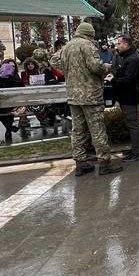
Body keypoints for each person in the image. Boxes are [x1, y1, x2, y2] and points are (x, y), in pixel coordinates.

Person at [56, 22, 122, 177]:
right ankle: (104, 164)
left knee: (78, 131)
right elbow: (95, 67)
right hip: (90, 95)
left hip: (73, 95)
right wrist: (107, 67)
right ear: (90, 34)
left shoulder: (67, 46)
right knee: (97, 130)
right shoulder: (88, 45)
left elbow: (55, 61)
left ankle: (80, 164)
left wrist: (70, 71)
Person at [110, 35, 139, 162]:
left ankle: (137, 153)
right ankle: (134, 149)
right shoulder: (126, 57)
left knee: (133, 124)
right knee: (130, 124)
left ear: (126, 44)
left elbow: (129, 79)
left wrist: (114, 79)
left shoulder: (132, 59)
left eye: (119, 43)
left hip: (129, 97)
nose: (117, 46)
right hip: (125, 96)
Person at [0, 58, 23, 142]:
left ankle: (9, 129)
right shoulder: (15, 79)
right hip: (8, 107)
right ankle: (9, 129)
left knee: (3, 108)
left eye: (12, 66)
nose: (11, 68)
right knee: (7, 109)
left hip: (5, 107)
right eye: (8, 66)